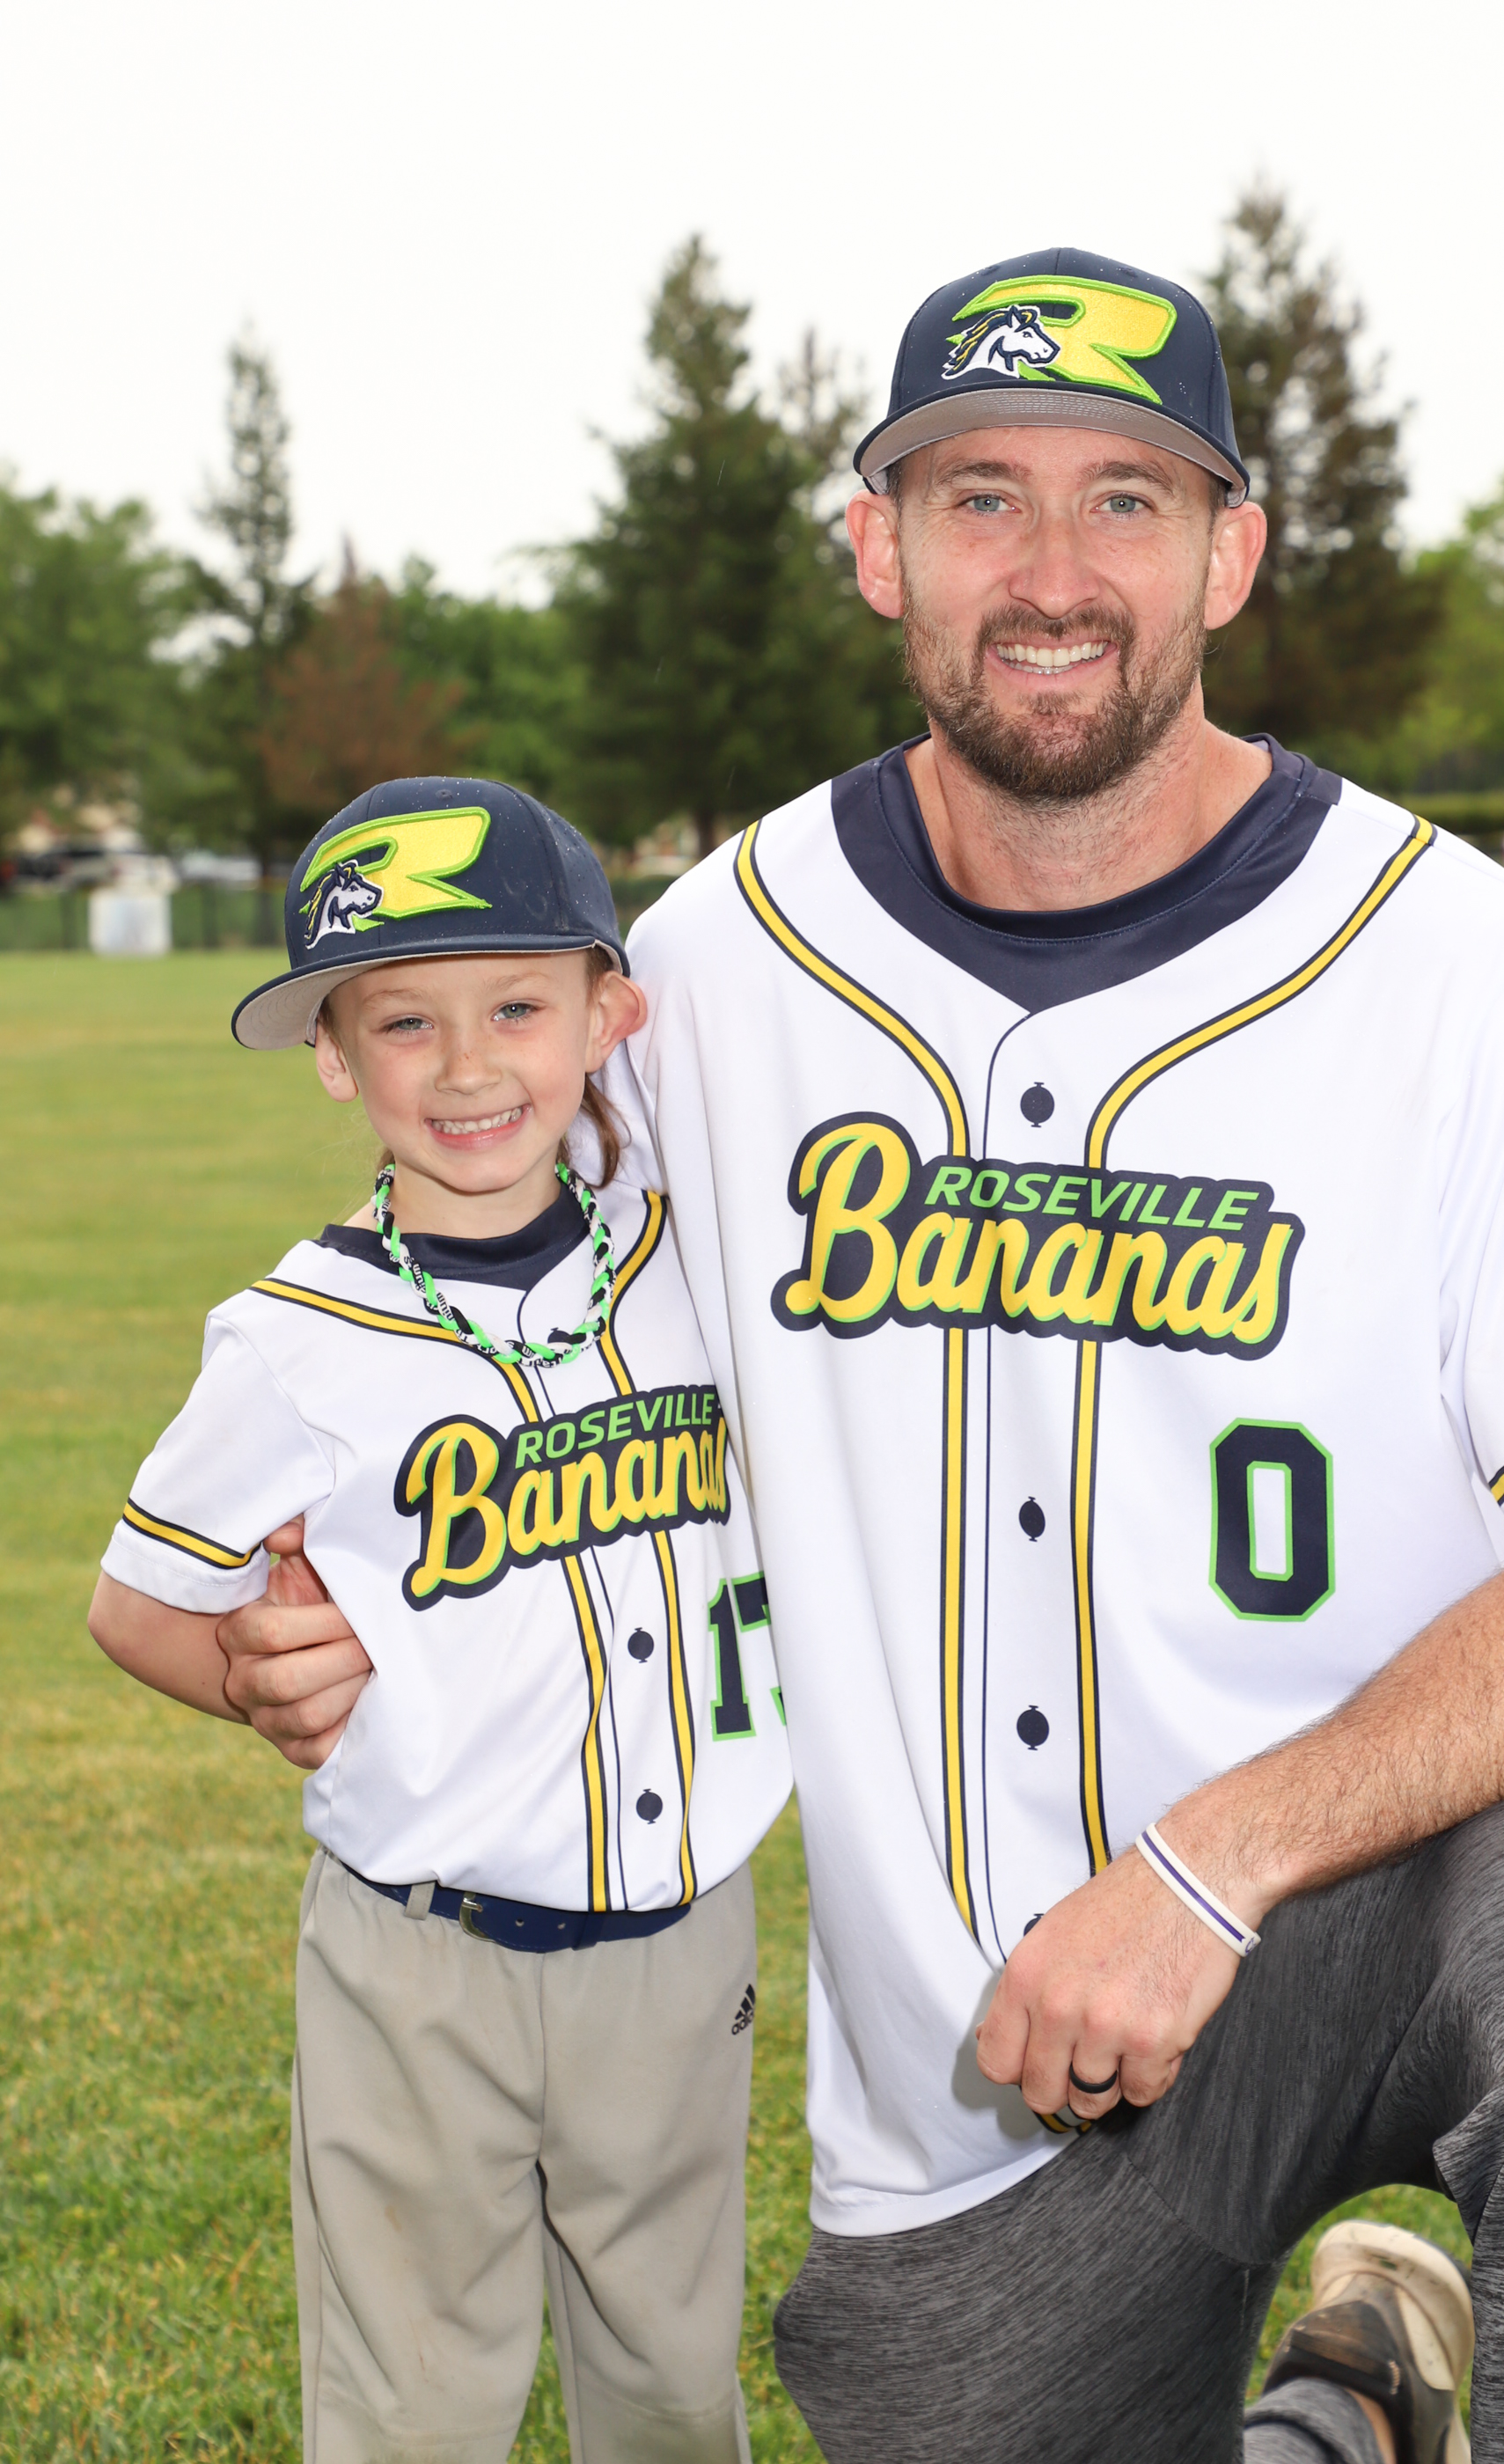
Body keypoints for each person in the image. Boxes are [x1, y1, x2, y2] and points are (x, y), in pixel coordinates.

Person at [220, 253, 1504, 2464]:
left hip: (1377, 1887)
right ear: (880, 548)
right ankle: (1344, 2408)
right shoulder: (711, 968)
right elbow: (507, 1306)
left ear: (1227, 551)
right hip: (977, 2082)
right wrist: (334, 1597)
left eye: (1124, 497)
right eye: (977, 499)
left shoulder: (1455, 961)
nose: (1050, 571)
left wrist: (1213, 1861)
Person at [89, 776, 789, 2464]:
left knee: (674, 2387)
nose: (468, 1065)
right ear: (334, 1056)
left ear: (609, 1019)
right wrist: (262, 1681)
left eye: (518, 1007)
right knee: (412, 2406)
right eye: (405, 1020)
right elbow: (136, 1605)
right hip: (418, 1955)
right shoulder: (294, 1338)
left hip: (679, 1936)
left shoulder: (689, 1261)